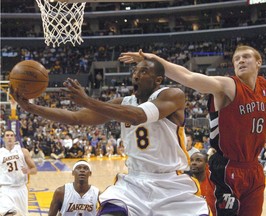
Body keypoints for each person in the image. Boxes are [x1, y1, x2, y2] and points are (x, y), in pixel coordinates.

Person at [12, 58, 210, 215]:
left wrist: (88, 101)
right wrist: (31, 107)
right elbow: (76, 118)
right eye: (135, 71)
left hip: (170, 183)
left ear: (158, 80)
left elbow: (137, 116)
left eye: (144, 71)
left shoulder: (173, 95)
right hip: (134, 182)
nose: (136, 75)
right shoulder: (123, 101)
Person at [119, 45, 266, 216]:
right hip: (227, 168)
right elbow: (188, 76)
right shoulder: (228, 85)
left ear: (259, 62)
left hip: (254, 168)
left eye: (246, 57)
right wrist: (154, 59)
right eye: (236, 59)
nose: (240, 61)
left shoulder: (265, 87)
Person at [0, 129, 37, 216]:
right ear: (3, 138)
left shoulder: (23, 151)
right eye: (7, 135)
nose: (9, 137)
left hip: (21, 188)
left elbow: (34, 169)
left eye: (11, 135)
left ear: (15, 138)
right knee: (7, 212)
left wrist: (28, 171)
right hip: (6, 189)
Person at [187, 152, 216, 216]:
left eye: (198, 160)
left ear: (206, 164)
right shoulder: (186, 182)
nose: (193, 163)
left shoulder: (214, 180)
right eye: (191, 160)